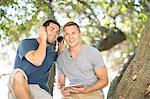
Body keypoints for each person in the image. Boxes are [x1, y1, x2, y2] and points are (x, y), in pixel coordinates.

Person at [8, 20, 64, 99]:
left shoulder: (51, 53)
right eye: (52, 29)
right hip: (20, 85)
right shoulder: (26, 43)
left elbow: (61, 62)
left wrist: (61, 48)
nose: (55, 34)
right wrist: (43, 38)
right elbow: (37, 61)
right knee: (18, 74)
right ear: (43, 30)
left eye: (57, 32)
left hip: (40, 90)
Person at [56, 22, 108, 99]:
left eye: (73, 33)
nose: (70, 37)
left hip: (93, 93)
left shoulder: (93, 52)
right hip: (72, 94)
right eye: (67, 34)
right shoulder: (61, 58)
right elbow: (61, 83)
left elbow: (104, 80)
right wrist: (63, 89)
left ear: (80, 34)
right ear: (64, 37)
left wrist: (86, 90)